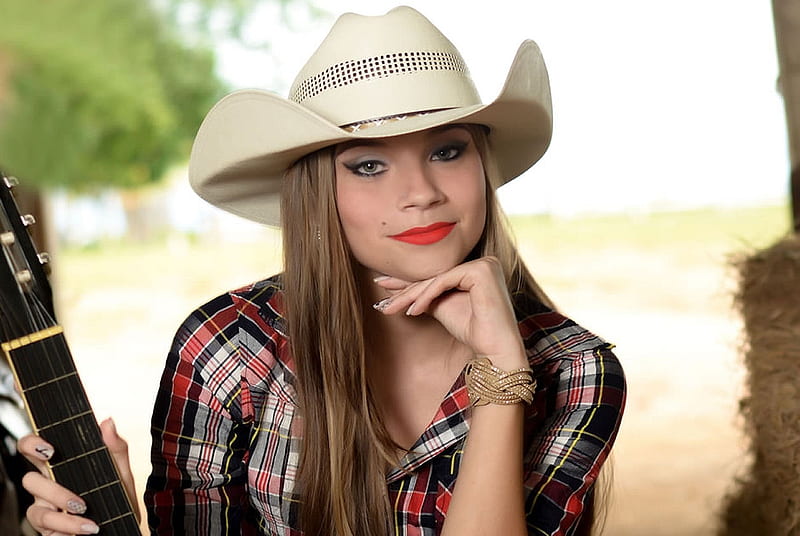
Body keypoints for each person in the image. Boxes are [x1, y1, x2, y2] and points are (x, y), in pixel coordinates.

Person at [18, 6, 626, 535]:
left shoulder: (575, 371)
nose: (420, 193)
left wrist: (501, 378)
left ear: (482, 165)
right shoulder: (227, 350)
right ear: (317, 194)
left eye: (447, 151)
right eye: (367, 165)